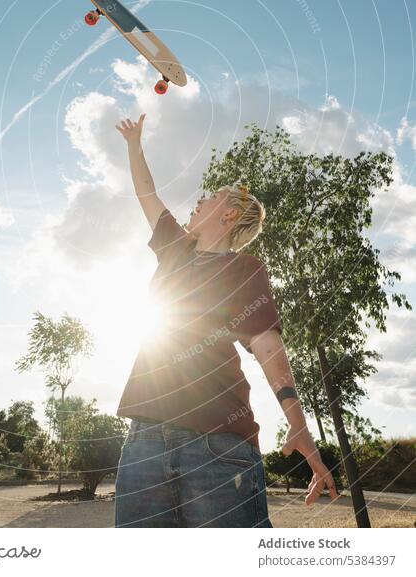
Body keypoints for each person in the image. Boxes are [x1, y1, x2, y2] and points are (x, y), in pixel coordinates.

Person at [113, 113, 338, 528]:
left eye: (211, 195)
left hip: (218, 444)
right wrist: (133, 145)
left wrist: (298, 424)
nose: (199, 200)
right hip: (144, 439)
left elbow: (267, 344)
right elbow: (147, 193)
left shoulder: (245, 270)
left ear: (231, 214)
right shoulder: (175, 249)